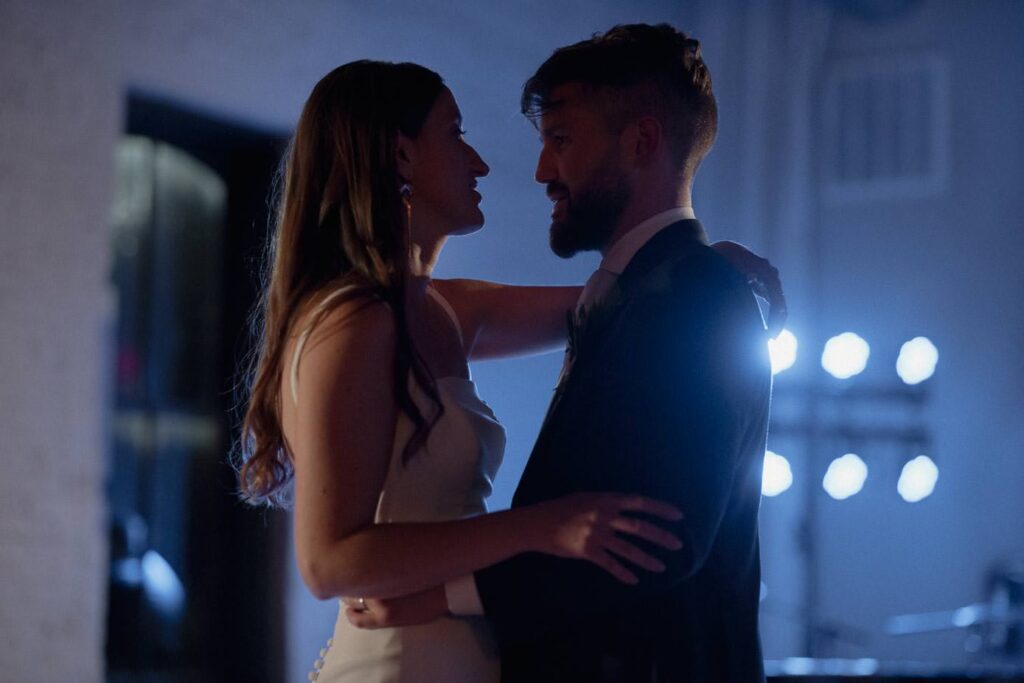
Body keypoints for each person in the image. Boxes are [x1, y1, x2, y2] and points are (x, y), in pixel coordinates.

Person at [238, 56, 781, 682]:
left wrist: (701, 264)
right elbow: (328, 563)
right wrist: (541, 527)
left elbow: (625, 297)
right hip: (398, 662)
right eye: (456, 134)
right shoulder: (353, 324)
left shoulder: (447, 309)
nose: (481, 162)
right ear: (402, 156)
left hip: (473, 655)